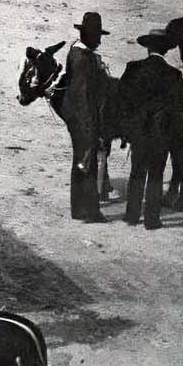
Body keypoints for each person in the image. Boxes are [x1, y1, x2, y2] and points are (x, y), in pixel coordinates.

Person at [115, 30, 183, 230]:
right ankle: (151, 219)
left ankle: (131, 216)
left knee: (137, 172)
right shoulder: (174, 74)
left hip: (138, 130)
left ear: (147, 48)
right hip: (162, 131)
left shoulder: (133, 68)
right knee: (156, 174)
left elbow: (121, 99)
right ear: (166, 50)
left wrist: (128, 126)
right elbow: (179, 106)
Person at [61, 12, 112, 222]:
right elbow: (84, 96)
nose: (99, 40)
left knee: (80, 163)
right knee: (88, 164)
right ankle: (90, 211)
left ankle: (79, 210)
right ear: (88, 36)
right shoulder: (85, 59)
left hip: (75, 116)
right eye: (97, 36)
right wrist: (92, 127)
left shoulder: (75, 52)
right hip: (85, 119)